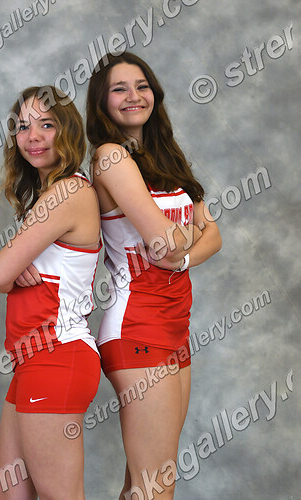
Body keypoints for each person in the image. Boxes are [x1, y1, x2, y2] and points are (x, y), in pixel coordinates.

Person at [86, 52, 222, 499]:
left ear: (154, 93)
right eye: (119, 89)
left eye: (141, 85)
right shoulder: (109, 157)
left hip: (176, 325)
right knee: (157, 486)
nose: (133, 96)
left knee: (142, 484)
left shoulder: (166, 157)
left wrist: (181, 256)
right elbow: (167, 241)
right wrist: (183, 239)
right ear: (102, 102)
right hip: (137, 328)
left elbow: (213, 238)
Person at [0, 85, 102, 500]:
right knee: (11, 495)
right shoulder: (48, 195)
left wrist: (14, 268)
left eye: (46, 124)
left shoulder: (68, 192)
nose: (32, 136)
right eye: (22, 126)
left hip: (57, 355)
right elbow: (8, 272)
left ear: (66, 131)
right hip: (31, 359)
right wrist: (16, 267)